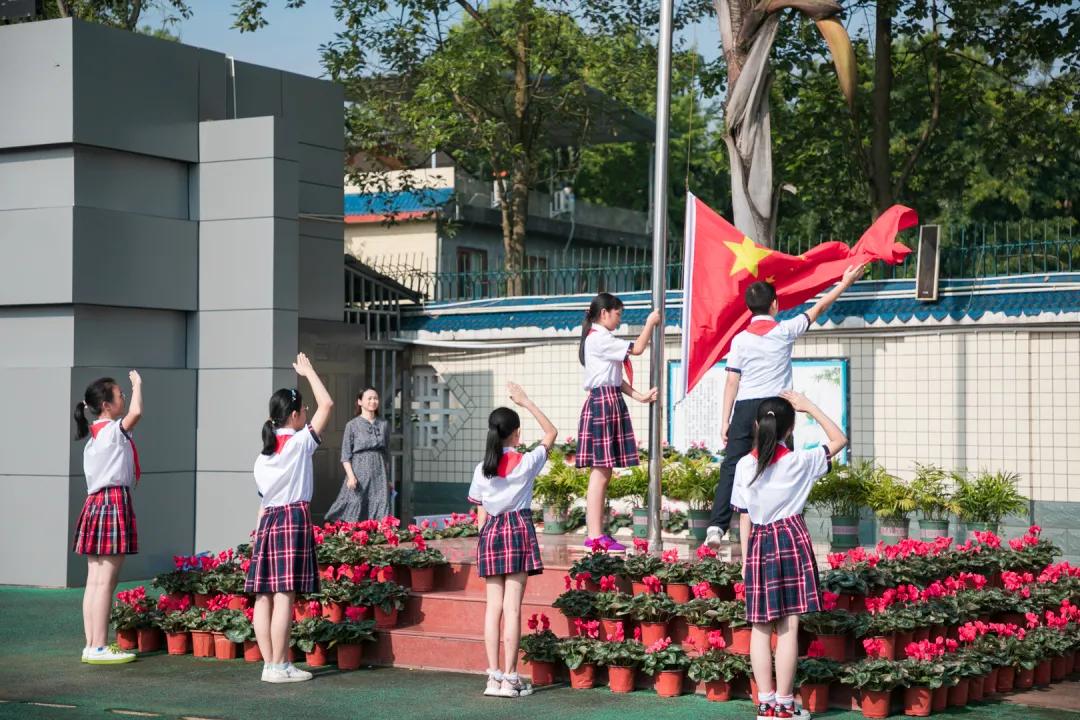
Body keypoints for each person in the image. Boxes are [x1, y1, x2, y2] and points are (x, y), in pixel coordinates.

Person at [705, 264, 864, 549]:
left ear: (748, 309)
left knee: (732, 466)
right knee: (782, 464)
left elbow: (732, 381)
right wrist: (845, 282)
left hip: (745, 407)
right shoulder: (786, 330)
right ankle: (786, 523)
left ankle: (716, 527)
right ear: (775, 304)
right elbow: (820, 307)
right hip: (779, 407)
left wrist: (725, 420)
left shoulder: (739, 340)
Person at [732, 391, 847, 720]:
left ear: (756, 425)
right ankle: (784, 706)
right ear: (789, 428)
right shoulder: (800, 461)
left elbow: (743, 515)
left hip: (758, 541)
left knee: (759, 627)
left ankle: (765, 705)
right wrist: (809, 406)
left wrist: (743, 561)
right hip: (791, 538)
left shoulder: (744, 465)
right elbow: (839, 439)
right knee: (788, 626)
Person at [246, 353, 333, 683]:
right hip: (292, 518)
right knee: (284, 594)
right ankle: (280, 665)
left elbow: (262, 502)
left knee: (264, 595)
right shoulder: (298, 443)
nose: (307, 414)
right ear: (294, 415)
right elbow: (327, 404)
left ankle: (271, 664)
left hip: (267, 521)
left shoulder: (262, 456)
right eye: (303, 412)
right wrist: (309, 372)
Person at [467, 382, 557, 698]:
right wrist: (527, 400)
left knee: (493, 608)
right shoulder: (526, 461)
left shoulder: (482, 468)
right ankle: (511, 677)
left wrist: (483, 535)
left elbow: (477, 508)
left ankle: (493, 678)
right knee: (513, 608)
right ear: (515, 434)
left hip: (490, 532)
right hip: (517, 529)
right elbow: (552, 433)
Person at [575, 292, 660, 551]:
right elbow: (637, 349)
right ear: (604, 313)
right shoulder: (599, 339)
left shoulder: (602, 339)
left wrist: (639, 396)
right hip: (603, 403)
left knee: (604, 471)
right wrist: (650, 323)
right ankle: (595, 534)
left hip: (608, 400)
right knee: (600, 472)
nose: (619, 319)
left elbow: (615, 379)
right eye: (618, 314)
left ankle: (597, 532)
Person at [72, 372, 144, 665]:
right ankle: (98, 646)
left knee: (95, 581)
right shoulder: (113, 431)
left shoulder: (95, 437)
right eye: (119, 394)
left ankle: (92, 645)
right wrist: (138, 384)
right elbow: (137, 411)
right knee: (104, 583)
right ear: (105, 404)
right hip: (112, 502)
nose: (124, 398)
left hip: (95, 504)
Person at [325, 387, 391, 522]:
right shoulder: (352, 425)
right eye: (370, 398)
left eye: (376, 398)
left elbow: (386, 453)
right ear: (360, 402)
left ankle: (379, 540)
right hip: (359, 472)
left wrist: (388, 479)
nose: (373, 401)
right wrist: (350, 476)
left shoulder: (384, 424)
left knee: (380, 507)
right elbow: (345, 455)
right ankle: (352, 538)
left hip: (380, 474)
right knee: (354, 504)